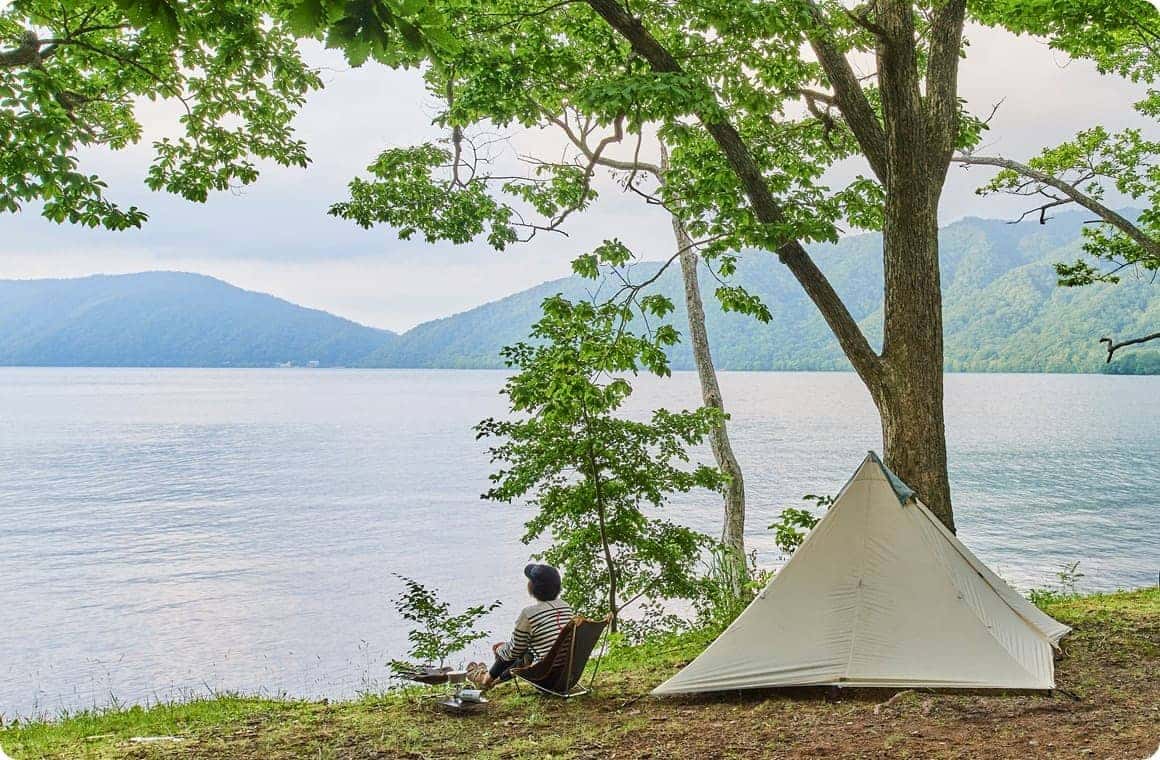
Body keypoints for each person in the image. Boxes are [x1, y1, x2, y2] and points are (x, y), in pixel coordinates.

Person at [466, 563, 572, 690]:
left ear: (533, 587)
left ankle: (485, 680)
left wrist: (499, 649)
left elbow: (514, 650)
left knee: (509, 650)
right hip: (569, 674)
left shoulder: (529, 613)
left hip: (546, 679)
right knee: (525, 650)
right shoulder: (566, 607)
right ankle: (492, 680)